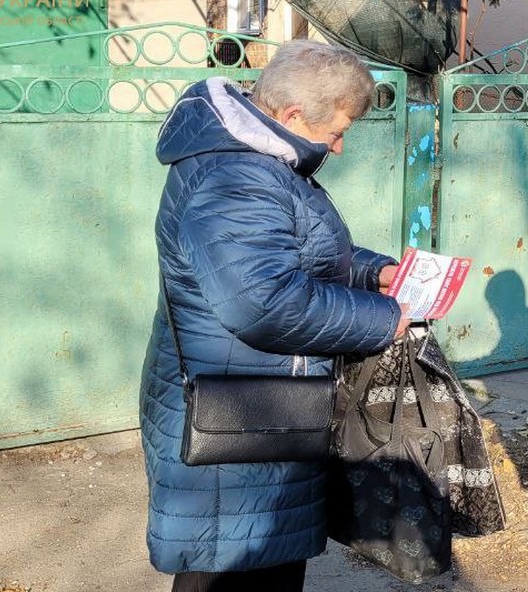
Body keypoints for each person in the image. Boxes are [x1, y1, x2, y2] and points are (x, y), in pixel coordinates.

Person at [139, 40, 410, 592]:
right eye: (336, 132)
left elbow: (289, 252)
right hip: (240, 416)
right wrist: (383, 319)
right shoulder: (236, 176)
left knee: (258, 564)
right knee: (232, 572)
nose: (337, 147)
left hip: (258, 405)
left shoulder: (259, 160)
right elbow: (264, 301)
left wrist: (372, 273)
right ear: (290, 116)